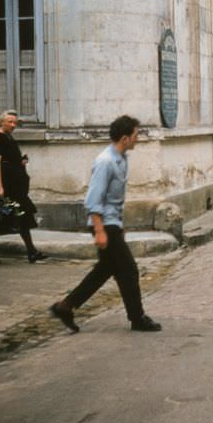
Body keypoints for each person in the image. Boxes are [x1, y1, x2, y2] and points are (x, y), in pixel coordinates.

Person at [49, 115, 161, 333]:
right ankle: (137, 319)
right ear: (125, 138)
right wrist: (100, 231)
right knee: (128, 270)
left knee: (105, 270)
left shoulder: (122, 158)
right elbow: (93, 199)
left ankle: (65, 306)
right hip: (103, 224)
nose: (139, 139)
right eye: (136, 135)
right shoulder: (105, 161)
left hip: (112, 223)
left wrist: (118, 225)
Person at [0, 109, 46, 264]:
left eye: (15, 122)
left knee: (22, 215)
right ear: (2, 122)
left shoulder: (9, 137)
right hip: (3, 184)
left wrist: (20, 162)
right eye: (10, 121)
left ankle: (32, 252)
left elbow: (9, 159)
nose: (14, 125)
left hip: (14, 186)